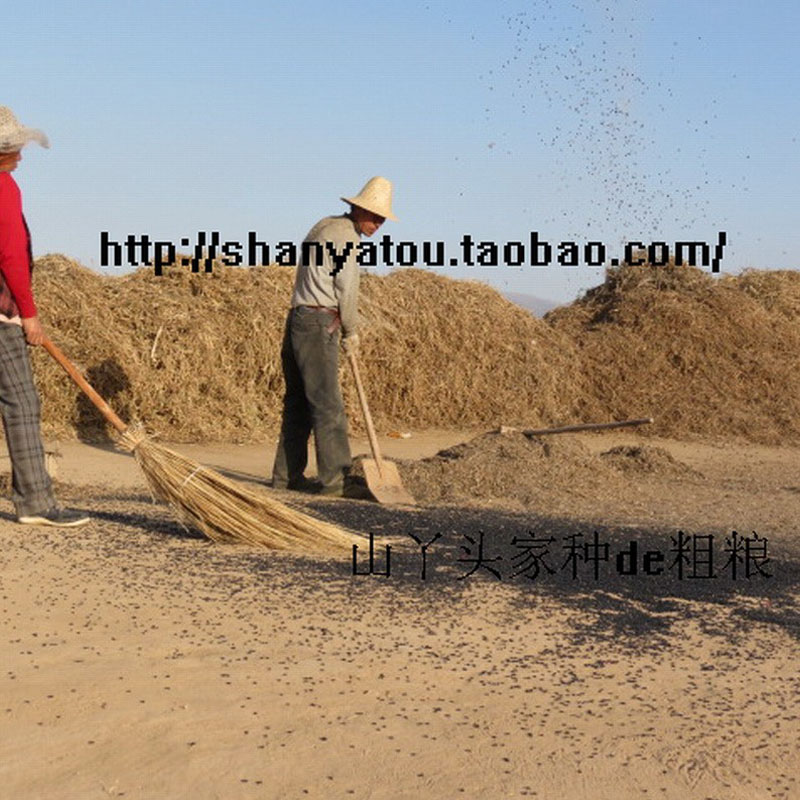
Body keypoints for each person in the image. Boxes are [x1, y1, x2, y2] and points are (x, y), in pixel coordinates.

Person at [271, 176, 397, 497]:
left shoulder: (324, 226)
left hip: (298, 317)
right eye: (373, 216)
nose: (377, 224)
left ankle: (287, 478)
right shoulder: (347, 240)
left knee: (298, 403)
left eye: (381, 218)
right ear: (357, 207)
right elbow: (347, 289)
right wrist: (351, 331)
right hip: (319, 321)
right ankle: (335, 482)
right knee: (328, 406)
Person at [0, 106, 89, 526]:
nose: (20, 155)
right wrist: (28, 315)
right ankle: (36, 500)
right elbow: (12, 256)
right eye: (13, 148)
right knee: (21, 401)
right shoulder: (4, 188)